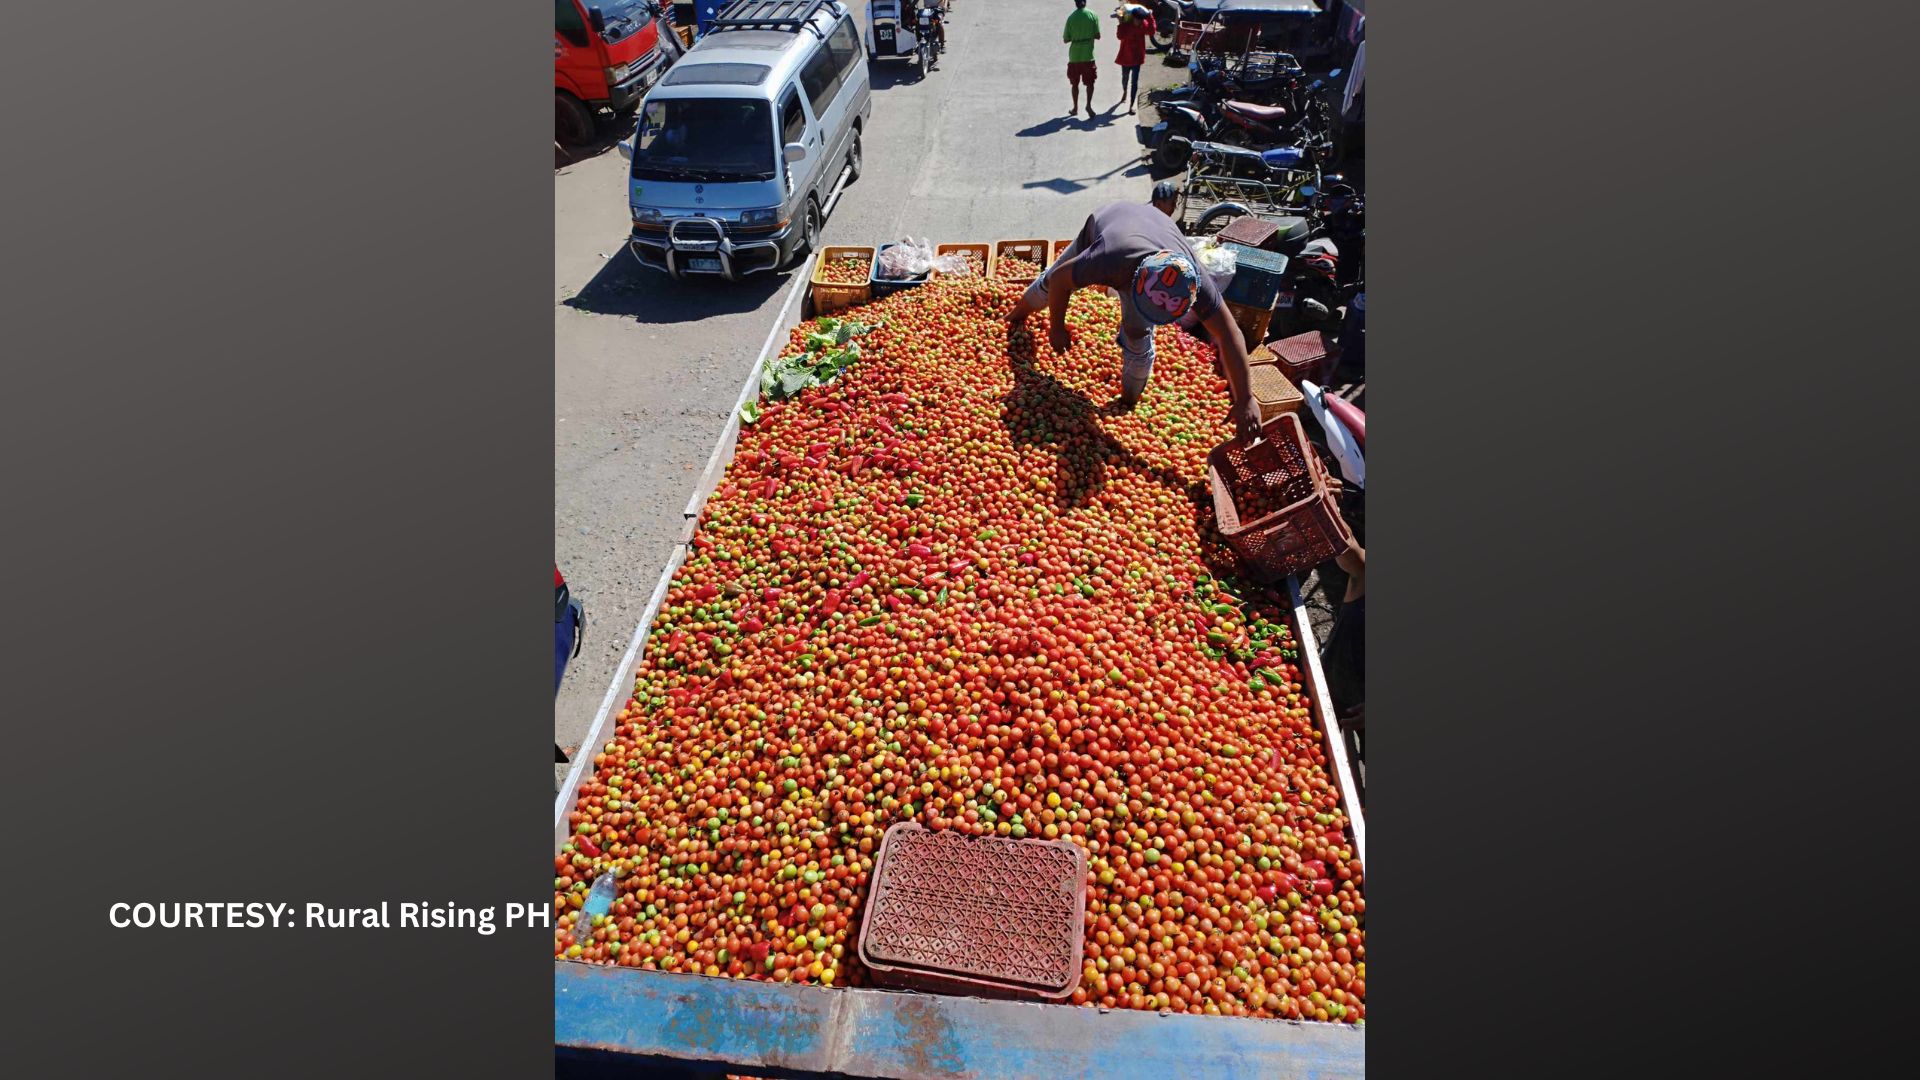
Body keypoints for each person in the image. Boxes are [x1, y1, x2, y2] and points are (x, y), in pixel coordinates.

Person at [1008, 200, 1262, 437]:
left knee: (1138, 336)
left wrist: (1246, 398)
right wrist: (1057, 327)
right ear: (1136, 283)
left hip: (1154, 231)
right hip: (1107, 225)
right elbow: (1060, 282)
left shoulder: (1194, 282)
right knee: (1047, 285)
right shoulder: (1107, 259)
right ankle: (1014, 317)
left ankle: (1128, 399)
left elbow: (1229, 333)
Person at [1063, 0, 1102, 119]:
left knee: (1074, 84)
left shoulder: (1071, 18)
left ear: (1075, 3)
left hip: (1074, 57)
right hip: (1088, 56)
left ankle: (1075, 108)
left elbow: (1066, 39)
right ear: (1085, 2)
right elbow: (1098, 35)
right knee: (1090, 83)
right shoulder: (1093, 15)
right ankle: (1088, 106)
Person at [1112, 5, 1154, 114]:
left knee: (1134, 83)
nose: (1138, 22)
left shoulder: (1143, 25)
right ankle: (1125, 91)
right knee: (1124, 79)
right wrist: (1120, 22)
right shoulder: (1126, 25)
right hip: (1126, 58)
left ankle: (1131, 105)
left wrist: (1150, 16)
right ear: (1133, 18)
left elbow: (1152, 31)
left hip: (1137, 59)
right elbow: (1119, 36)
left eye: (1140, 20)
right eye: (1136, 19)